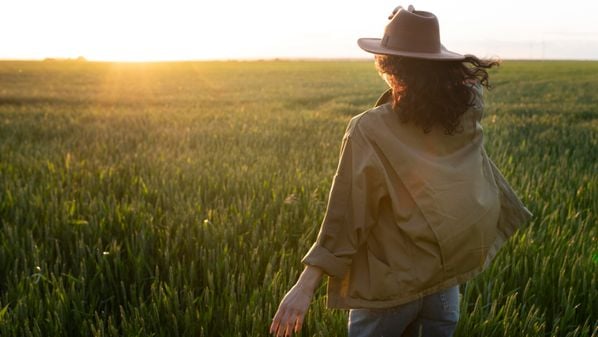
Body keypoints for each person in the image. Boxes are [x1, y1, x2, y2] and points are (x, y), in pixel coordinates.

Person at [270, 5, 532, 337]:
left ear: (386, 65)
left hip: (390, 290)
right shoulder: (465, 112)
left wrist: (305, 286)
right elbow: (469, 90)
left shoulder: (369, 130)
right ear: (438, 64)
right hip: (445, 284)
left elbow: (346, 216)